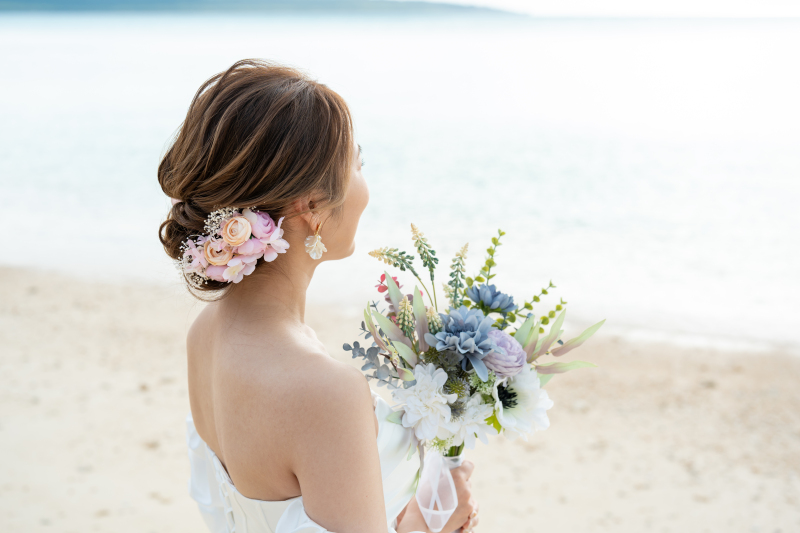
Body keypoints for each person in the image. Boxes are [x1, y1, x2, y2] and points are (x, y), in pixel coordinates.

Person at [158, 59, 479, 533]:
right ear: (309, 204)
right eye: (358, 164)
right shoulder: (326, 392)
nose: (365, 184)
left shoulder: (205, 333)